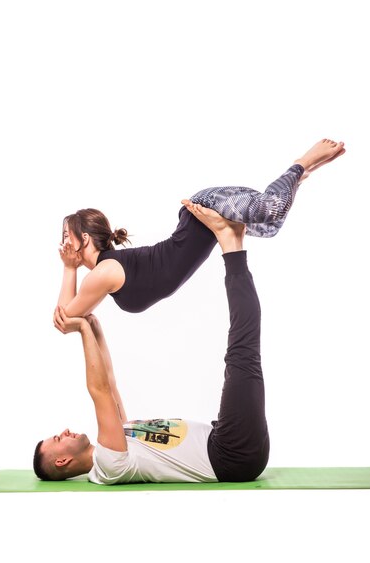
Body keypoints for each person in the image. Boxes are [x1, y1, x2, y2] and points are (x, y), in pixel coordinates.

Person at [34, 212, 270, 483]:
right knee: (241, 352)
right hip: (231, 454)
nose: (64, 431)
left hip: (223, 439)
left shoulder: (116, 440)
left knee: (241, 354)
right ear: (62, 461)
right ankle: (232, 243)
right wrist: (84, 329)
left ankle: (231, 238)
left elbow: (108, 384)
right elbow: (97, 390)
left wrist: (94, 329)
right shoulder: (109, 464)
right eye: (57, 439)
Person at [55, 139, 345, 318]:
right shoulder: (105, 274)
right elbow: (72, 316)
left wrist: (69, 269)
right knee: (271, 228)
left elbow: (67, 317)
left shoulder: (103, 272)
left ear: (85, 238)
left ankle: (302, 161)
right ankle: (302, 176)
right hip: (207, 221)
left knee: (271, 210)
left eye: (66, 235)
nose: (62, 243)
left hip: (203, 208)